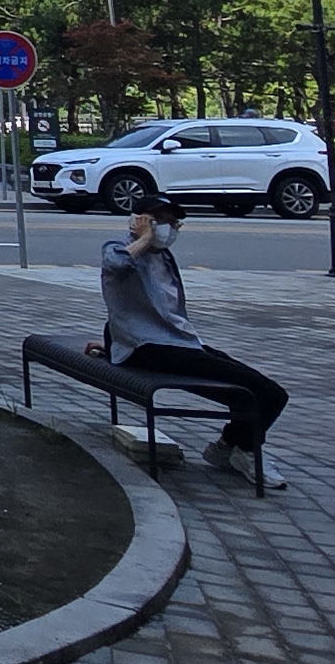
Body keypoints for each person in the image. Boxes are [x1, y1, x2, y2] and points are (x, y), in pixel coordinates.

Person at [95, 191, 289, 486]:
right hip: (148, 347)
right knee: (257, 392)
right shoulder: (122, 247)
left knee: (269, 393)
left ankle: (229, 446)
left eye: (175, 223)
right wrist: (144, 239)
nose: (170, 228)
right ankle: (245, 452)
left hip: (179, 342)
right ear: (141, 221)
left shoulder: (164, 257)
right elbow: (115, 264)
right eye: (162, 221)